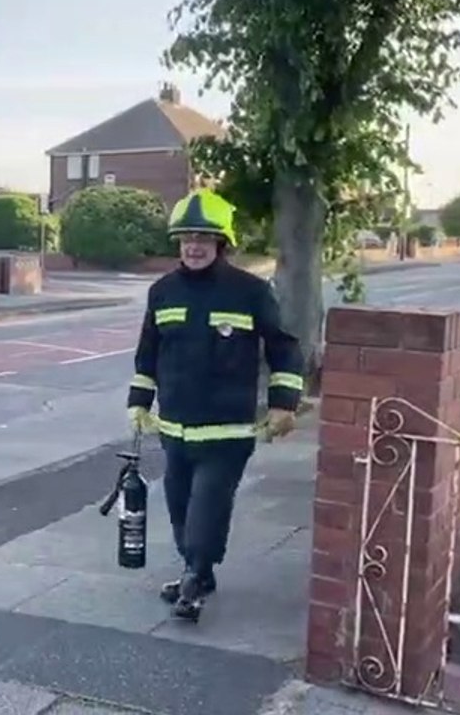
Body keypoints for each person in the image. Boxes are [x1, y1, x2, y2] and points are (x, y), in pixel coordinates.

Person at [126, 188, 304, 622]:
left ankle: (192, 582)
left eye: (204, 238)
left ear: (222, 242)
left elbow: (284, 347)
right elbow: (148, 353)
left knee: (207, 507)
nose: (194, 246)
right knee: (179, 507)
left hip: (227, 431)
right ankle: (199, 572)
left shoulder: (250, 291)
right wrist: (139, 402)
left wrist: (283, 404)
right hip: (175, 430)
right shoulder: (162, 292)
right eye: (186, 237)